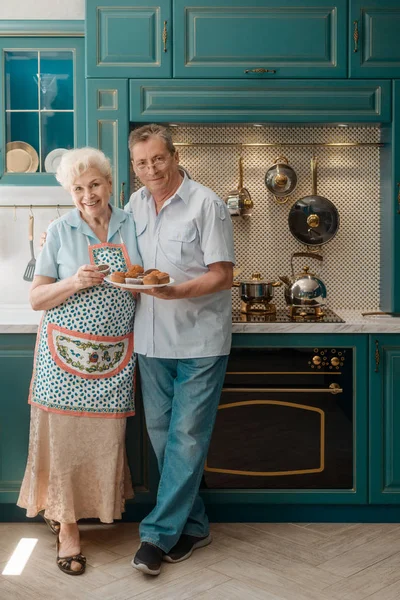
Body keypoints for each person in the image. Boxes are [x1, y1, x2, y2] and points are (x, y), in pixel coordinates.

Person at [17, 147, 141, 576]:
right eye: (78, 188)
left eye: (94, 184)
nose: (87, 194)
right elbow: (36, 299)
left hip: (113, 355)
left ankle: (99, 512)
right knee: (65, 443)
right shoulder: (59, 230)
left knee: (106, 440)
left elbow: (144, 276)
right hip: (64, 356)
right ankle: (67, 527)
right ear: (69, 193)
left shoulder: (131, 223)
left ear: (109, 184)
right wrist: (74, 281)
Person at [126, 124, 235, 575]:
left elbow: (223, 274)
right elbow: (130, 265)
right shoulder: (134, 204)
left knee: (186, 438)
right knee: (162, 437)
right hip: (150, 341)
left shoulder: (206, 203)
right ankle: (195, 525)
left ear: (174, 156)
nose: (151, 168)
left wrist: (179, 292)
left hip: (198, 340)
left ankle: (156, 536)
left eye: (158, 159)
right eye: (141, 163)